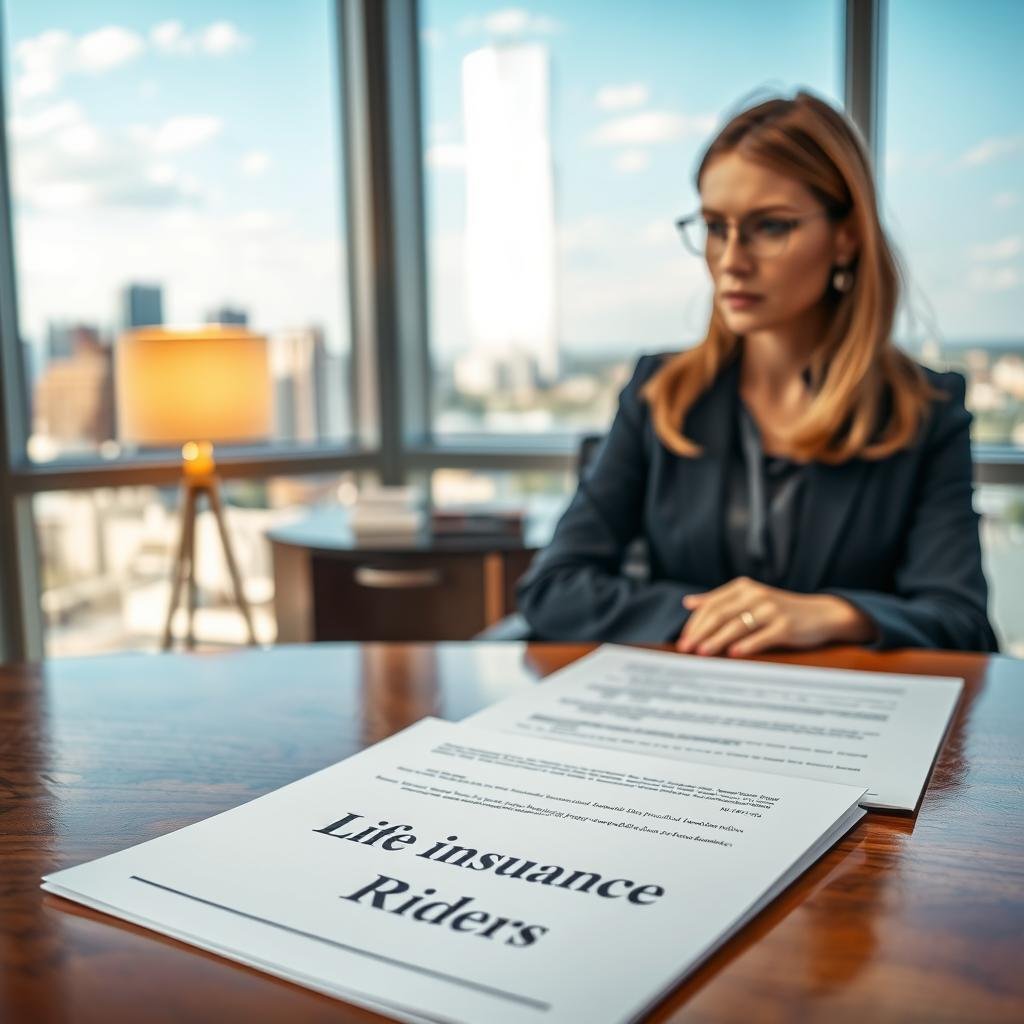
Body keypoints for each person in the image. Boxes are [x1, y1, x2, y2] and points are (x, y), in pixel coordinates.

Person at [517, 90, 998, 655]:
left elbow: (961, 622)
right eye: (716, 227)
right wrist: (726, 618)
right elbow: (553, 589)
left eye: (770, 227)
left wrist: (833, 615)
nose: (730, 260)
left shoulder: (926, 410)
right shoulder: (660, 391)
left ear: (846, 237)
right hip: (684, 711)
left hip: (852, 719)